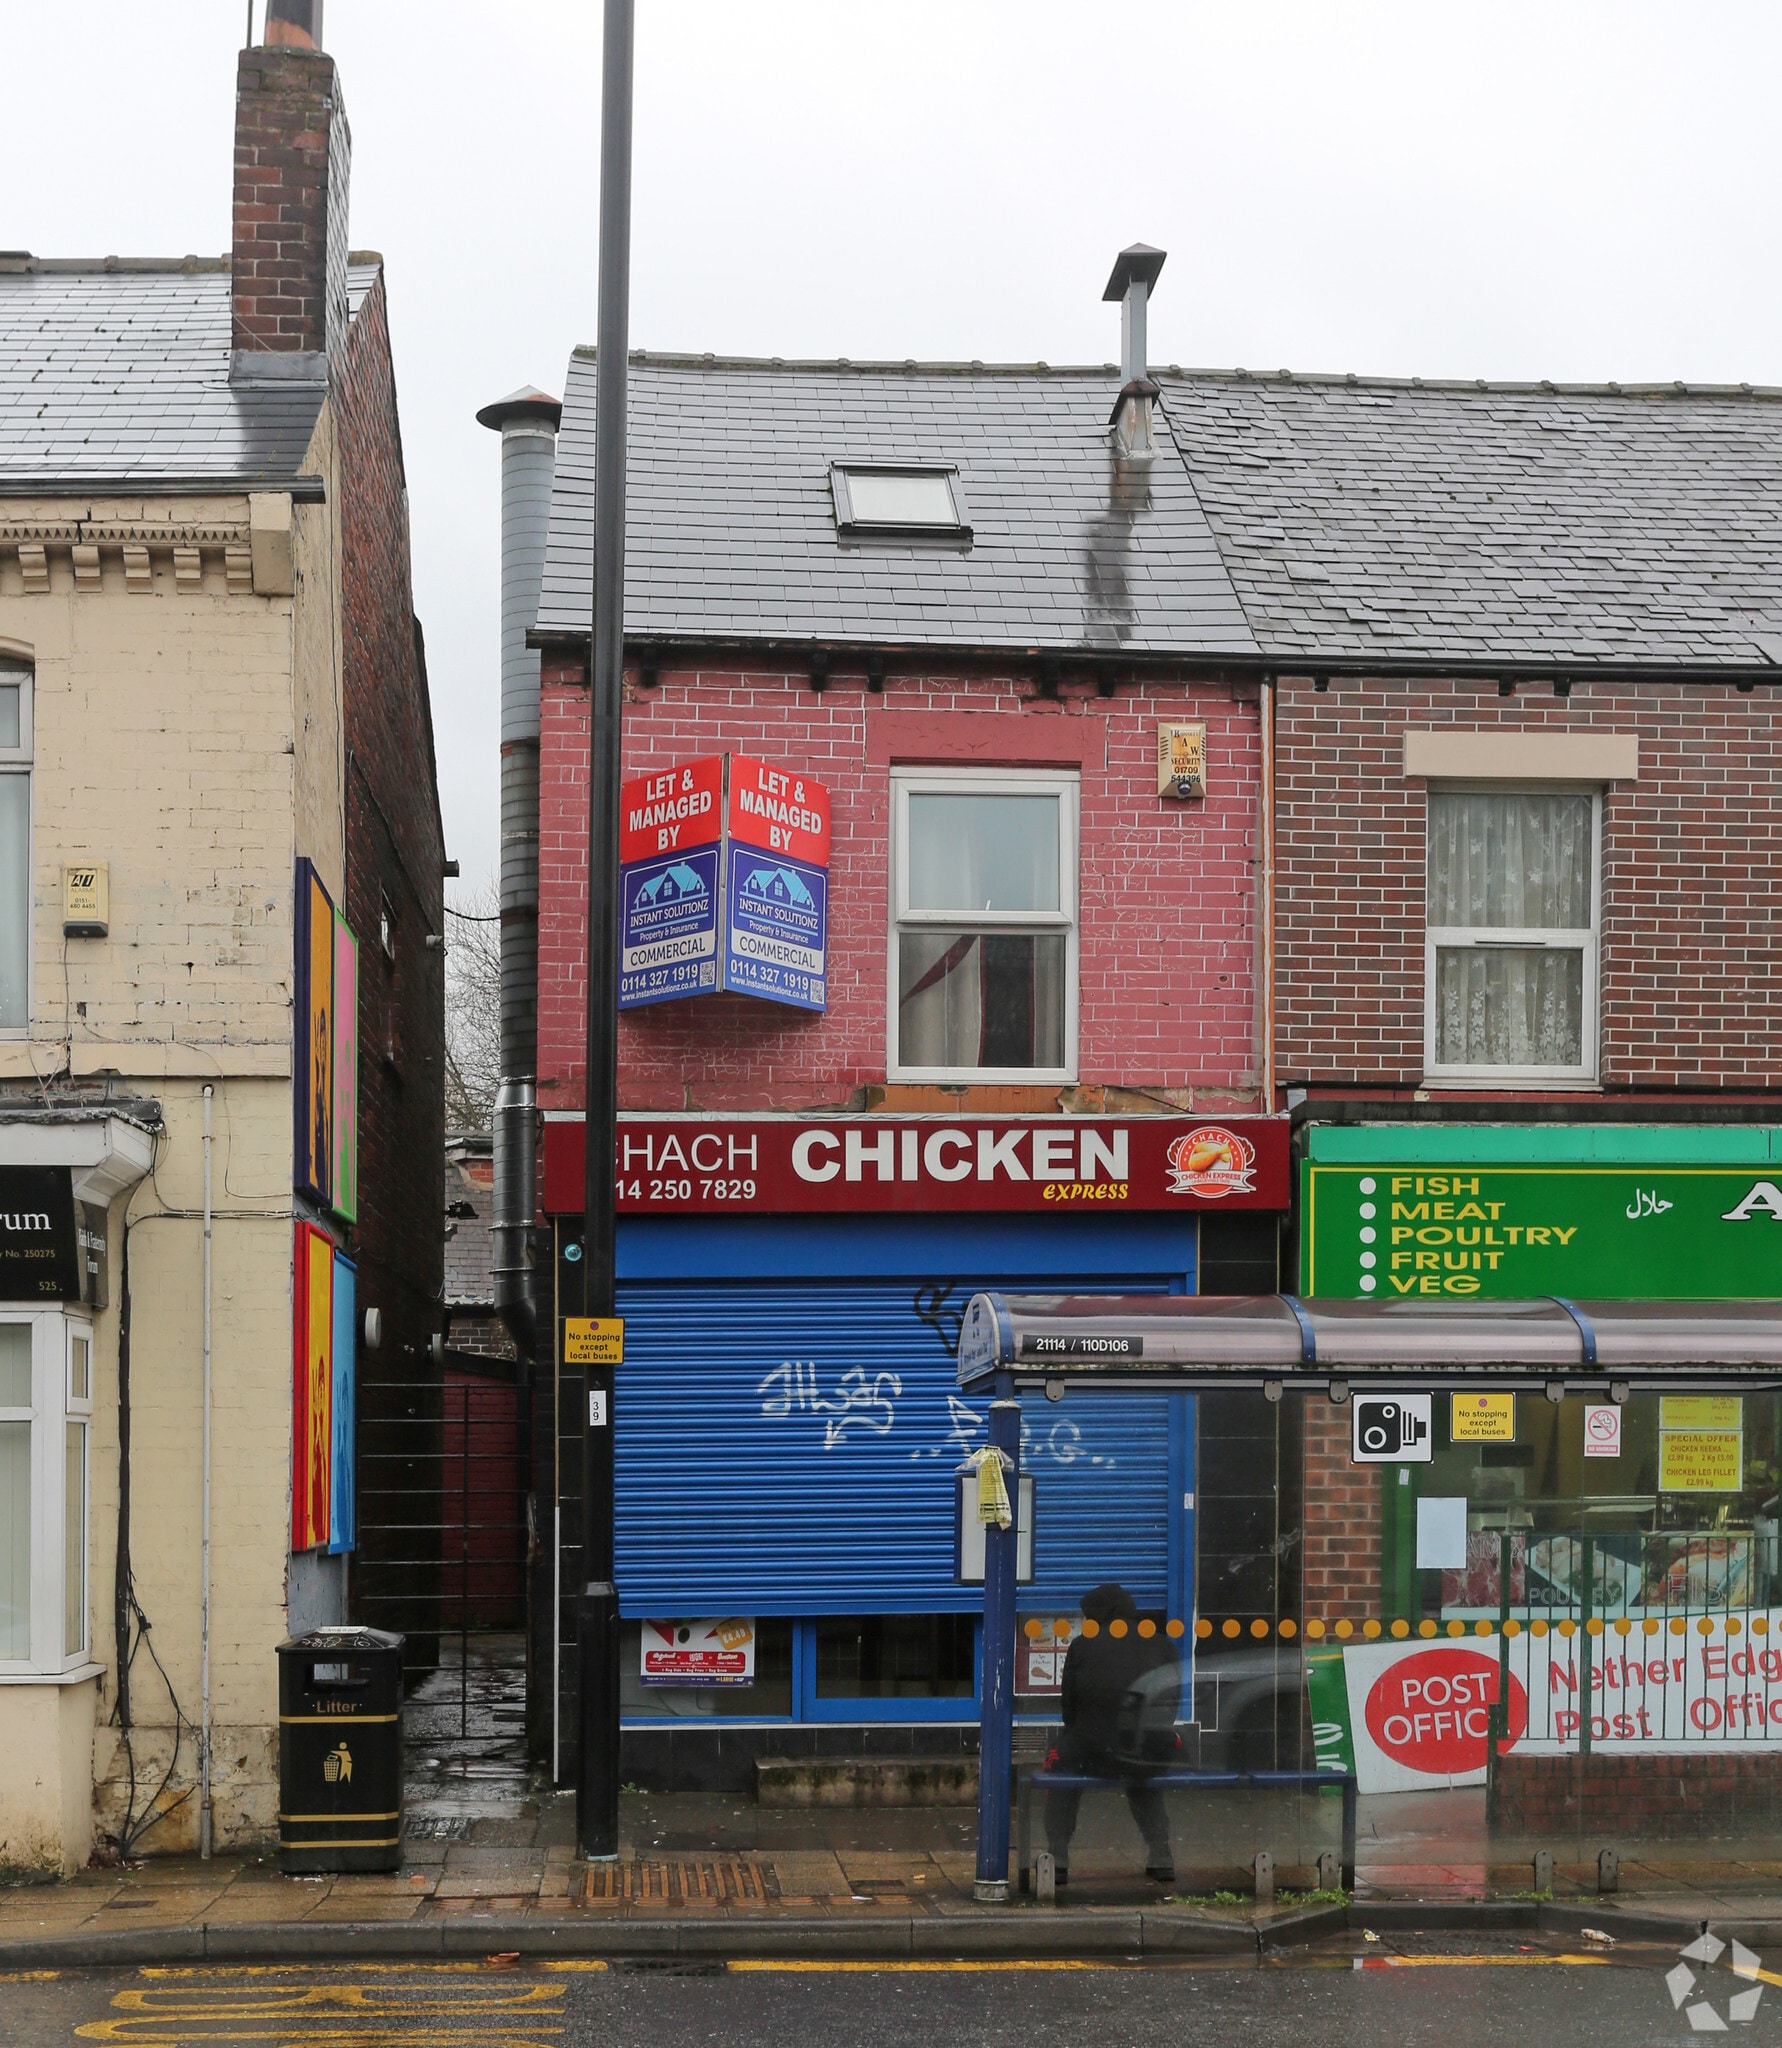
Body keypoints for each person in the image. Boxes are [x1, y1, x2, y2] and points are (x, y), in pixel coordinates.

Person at [1042, 1582, 1179, 1885]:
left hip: (1092, 1751)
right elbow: (1170, 1706)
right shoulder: (1163, 1645)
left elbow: (1069, 1709)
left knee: (1059, 1766)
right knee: (1143, 1776)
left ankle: (1058, 1855)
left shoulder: (1082, 1646)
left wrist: (1084, 1735)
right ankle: (1161, 1854)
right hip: (1146, 1751)